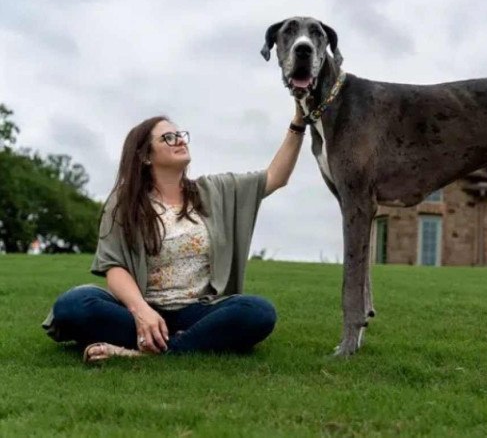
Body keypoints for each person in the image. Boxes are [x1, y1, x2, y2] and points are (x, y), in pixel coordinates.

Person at [42, 103, 307, 362]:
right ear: (145, 156)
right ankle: (181, 343)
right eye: (168, 138)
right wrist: (141, 311)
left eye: (180, 135)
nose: (179, 140)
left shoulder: (214, 190)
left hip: (198, 311)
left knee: (258, 312)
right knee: (72, 305)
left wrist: (298, 123)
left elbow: (275, 177)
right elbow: (114, 267)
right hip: (139, 311)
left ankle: (148, 352)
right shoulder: (124, 202)